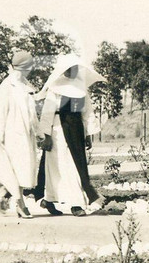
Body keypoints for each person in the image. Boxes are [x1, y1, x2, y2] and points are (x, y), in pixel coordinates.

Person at [35, 55, 105, 216]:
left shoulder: (81, 87)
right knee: (57, 166)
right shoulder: (55, 86)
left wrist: (88, 134)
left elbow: (87, 112)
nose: (73, 71)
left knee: (75, 165)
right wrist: (46, 136)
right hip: (58, 130)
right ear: (64, 70)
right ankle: (51, 199)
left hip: (76, 129)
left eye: (75, 68)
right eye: (70, 68)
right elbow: (47, 112)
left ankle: (76, 203)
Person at [0, 50, 42, 219]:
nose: (30, 69)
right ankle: (20, 204)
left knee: (23, 170)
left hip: (26, 133)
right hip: (12, 133)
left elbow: (32, 114)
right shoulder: (7, 86)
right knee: (18, 169)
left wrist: (38, 132)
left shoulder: (26, 85)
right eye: (28, 66)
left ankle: (1, 194)